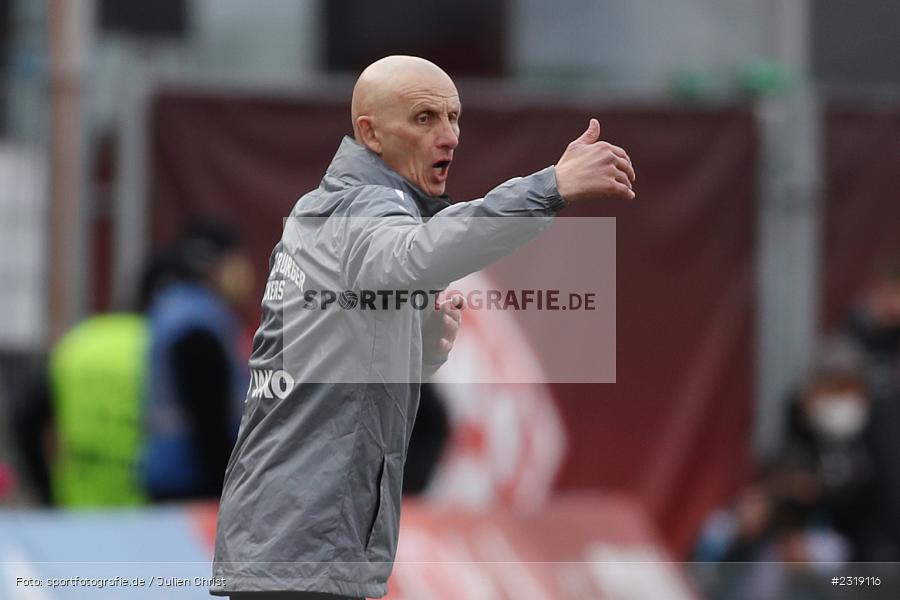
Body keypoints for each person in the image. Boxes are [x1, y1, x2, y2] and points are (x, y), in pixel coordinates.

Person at [211, 55, 635, 599]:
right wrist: (549, 187)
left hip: (289, 537)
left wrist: (415, 351)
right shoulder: (360, 209)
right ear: (370, 133)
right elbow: (418, 256)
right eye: (425, 118)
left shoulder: (325, 211)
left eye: (455, 117)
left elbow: (329, 375)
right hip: (303, 547)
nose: (449, 136)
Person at [142, 220, 253, 501]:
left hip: (171, 476)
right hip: (193, 485)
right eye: (236, 260)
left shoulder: (175, 310)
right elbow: (209, 417)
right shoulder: (197, 324)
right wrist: (227, 486)